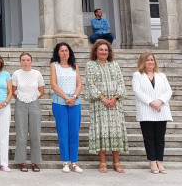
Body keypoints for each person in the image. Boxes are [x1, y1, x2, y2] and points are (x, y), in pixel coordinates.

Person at [85, 39, 128, 173]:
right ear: (95, 51)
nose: (104, 52)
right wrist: (103, 99)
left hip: (115, 104)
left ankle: (116, 162)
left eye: (106, 50)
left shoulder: (115, 65)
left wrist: (115, 98)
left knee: (116, 131)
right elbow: (90, 83)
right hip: (99, 104)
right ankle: (102, 162)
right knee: (101, 131)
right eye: (101, 49)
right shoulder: (90, 65)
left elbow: (121, 82)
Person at [132, 52, 172, 174]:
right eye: (147, 60)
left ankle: (160, 160)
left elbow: (168, 91)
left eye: (152, 60)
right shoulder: (137, 75)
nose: (150, 62)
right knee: (149, 138)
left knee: (160, 138)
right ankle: (152, 161)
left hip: (161, 110)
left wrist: (160, 101)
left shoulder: (161, 75)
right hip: (146, 110)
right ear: (142, 62)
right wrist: (151, 102)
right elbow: (137, 91)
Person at [49, 43, 83, 173]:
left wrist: (73, 96)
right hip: (60, 102)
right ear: (58, 53)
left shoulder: (75, 66)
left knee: (74, 132)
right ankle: (65, 162)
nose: (64, 53)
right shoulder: (54, 65)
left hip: (74, 102)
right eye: (62, 50)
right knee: (63, 132)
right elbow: (53, 84)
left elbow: (79, 84)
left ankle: (74, 162)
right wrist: (66, 97)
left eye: (66, 50)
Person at [12, 52, 45, 172]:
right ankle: (22, 161)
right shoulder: (16, 74)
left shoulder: (37, 74)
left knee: (35, 134)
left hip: (34, 103)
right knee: (21, 134)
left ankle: (35, 161)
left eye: (27, 60)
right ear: (20, 61)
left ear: (31, 61)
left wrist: (31, 98)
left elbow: (41, 90)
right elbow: (14, 90)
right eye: (23, 60)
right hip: (20, 103)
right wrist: (23, 98)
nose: (25, 62)